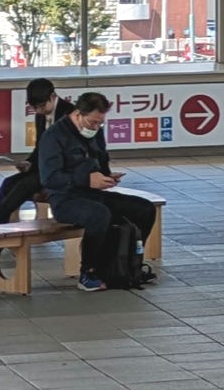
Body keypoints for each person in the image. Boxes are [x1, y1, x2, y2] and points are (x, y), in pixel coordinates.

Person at [35, 91, 156, 291]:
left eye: (100, 123)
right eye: (92, 122)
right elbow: (50, 178)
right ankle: (88, 272)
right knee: (99, 215)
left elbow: (101, 160)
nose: (96, 127)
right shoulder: (54, 136)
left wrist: (107, 177)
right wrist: (86, 180)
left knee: (144, 209)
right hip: (66, 200)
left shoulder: (95, 132)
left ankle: (129, 265)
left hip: (95, 194)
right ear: (78, 114)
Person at [0, 77, 57, 224]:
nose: (39, 111)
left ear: (52, 97)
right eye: (35, 108)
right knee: (8, 184)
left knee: (23, 186)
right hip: (42, 171)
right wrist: (29, 162)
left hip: (59, 172)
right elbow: (40, 147)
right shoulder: (41, 116)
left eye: (41, 106)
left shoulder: (69, 114)